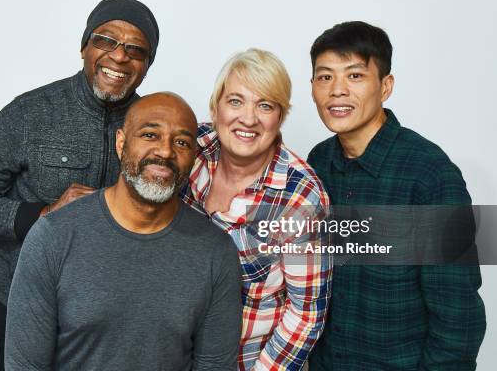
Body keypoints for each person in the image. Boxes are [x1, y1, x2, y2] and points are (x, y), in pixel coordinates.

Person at [0, 0, 159, 370]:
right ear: (84, 46)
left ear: (147, 65)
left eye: (136, 49)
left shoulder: (154, 125)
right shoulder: (32, 112)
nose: (119, 57)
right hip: (16, 308)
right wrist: (41, 215)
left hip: (107, 323)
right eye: (105, 40)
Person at [4, 92, 242, 371]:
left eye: (181, 142)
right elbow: (24, 365)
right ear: (121, 143)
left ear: (192, 158)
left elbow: (214, 365)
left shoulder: (216, 251)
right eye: (150, 135)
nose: (165, 151)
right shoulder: (52, 236)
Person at [306, 21, 486, 370]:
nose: (337, 90)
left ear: (385, 86)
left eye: (355, 75)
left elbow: (458, 317)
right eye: (325, 77)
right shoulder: (318, 163)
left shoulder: (430, 175)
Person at [181, 48, 332, 371]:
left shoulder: (300, 197)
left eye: (265, 105)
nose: (248, 118)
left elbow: (305, 314)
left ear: (280, 117)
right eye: (236, 101)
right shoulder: (190, 148)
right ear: (215, 106)